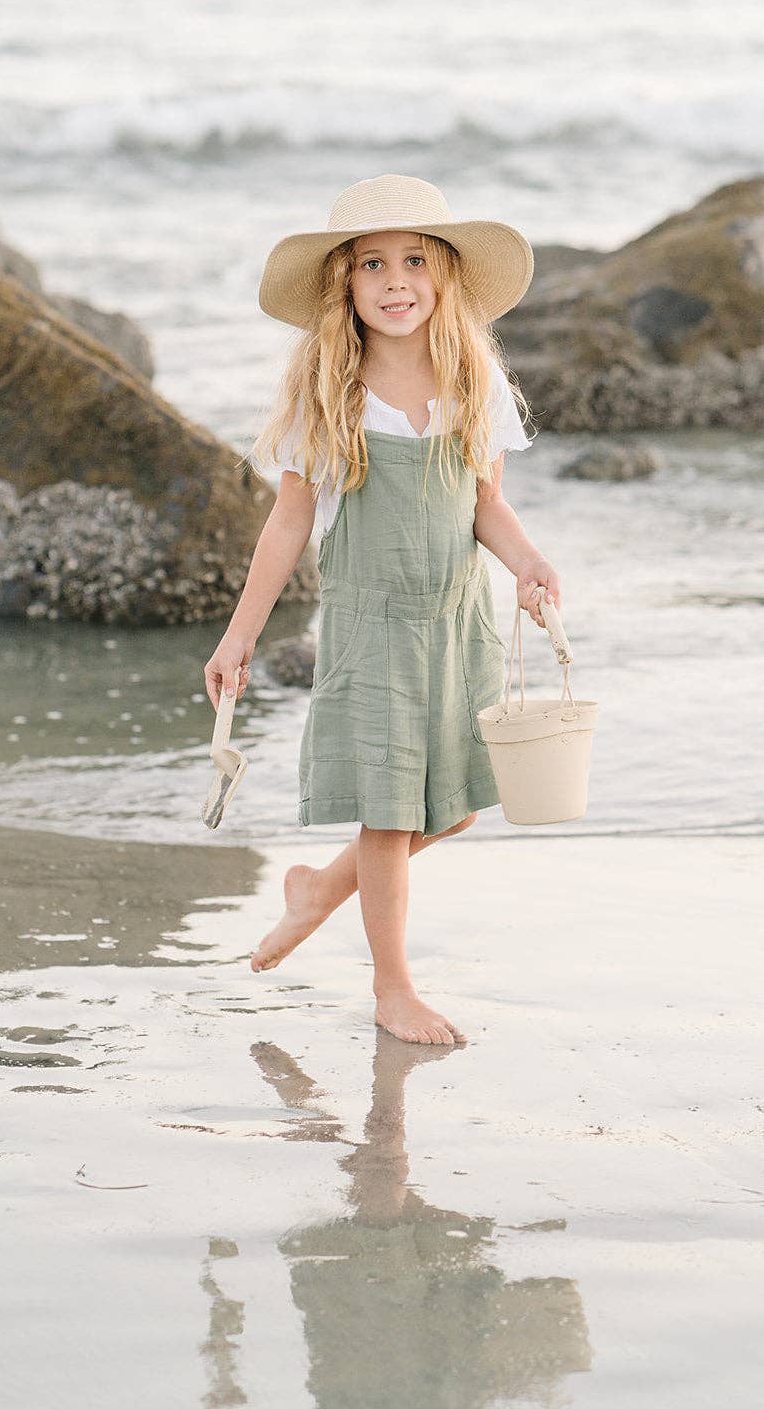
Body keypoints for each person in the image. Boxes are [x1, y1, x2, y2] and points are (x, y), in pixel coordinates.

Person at [204, 174, 561, 1047]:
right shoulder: (333, 393)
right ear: (344, 286)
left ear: (441, 276)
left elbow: (485, 507)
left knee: (461, 802)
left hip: (456, 619)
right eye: (371, 264)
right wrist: (239, 636)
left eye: (412, 261)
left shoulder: (474, 382)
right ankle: (392, 988)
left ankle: (321, 890)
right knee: (391, 809)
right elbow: (289, 522)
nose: (393, 280)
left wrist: (528, 564)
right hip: (372, 627)